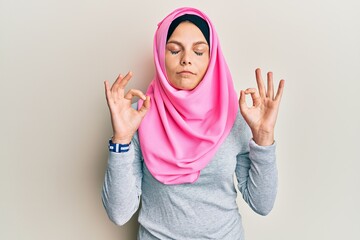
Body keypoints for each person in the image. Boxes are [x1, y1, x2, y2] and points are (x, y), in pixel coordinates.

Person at [102, 7, 285, 240]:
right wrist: (121, 140)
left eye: (199, 51)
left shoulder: (232, 116)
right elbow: (119, 213)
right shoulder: (138, 117)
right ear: (160, 55)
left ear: (212, 59)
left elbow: (262, 204)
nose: (186, 59)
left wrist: (264, 137)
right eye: (174, 50)